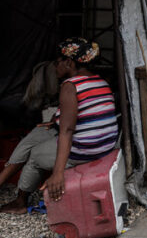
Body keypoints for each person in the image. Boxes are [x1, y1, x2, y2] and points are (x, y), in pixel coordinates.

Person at [0, 38, 118, 214]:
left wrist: (58, 173)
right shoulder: (100, 81)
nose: (55, 68)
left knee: (35, 154)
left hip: (85, 150)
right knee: (39, 132)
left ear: (69, 62)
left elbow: (67, 131)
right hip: (103, 145)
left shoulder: (70, 86)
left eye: (57, 63)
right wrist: (56, 119)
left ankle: (21, 202)